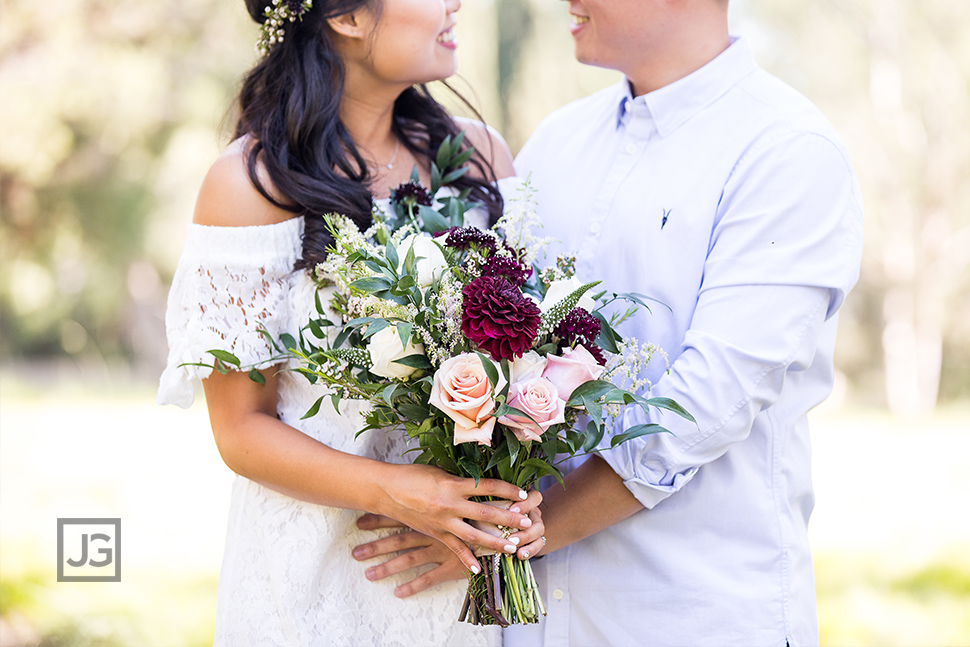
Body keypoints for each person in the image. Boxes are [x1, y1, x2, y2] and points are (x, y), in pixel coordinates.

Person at [354, 0, 864, 645]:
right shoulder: (555, 143)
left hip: (688, 610)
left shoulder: (787, 149)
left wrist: (511, 536)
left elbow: (712, 399)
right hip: (525, 621)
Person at [156, 0, 545, 644]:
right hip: (321, 580)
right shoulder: (249, 184)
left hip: (467, 578)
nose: (456, 4)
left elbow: (532, 356)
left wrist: (495, 520)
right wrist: (396, 492)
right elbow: (239, 429)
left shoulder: (481, 159)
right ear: (347, 17)